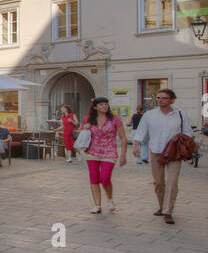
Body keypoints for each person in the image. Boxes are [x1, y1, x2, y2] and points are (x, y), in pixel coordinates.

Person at [131, 88, 192, 225]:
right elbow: (140, 132)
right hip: (156, 150)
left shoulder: (181, 114)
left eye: (163, 98)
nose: (160, 100)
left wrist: (183, 141)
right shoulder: (150, 115)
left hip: (174, 152)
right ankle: (161, 205)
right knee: (158, 182)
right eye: (158, 98)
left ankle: (168, 211)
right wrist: (136, 147)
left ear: (172, 100)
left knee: (172, 182)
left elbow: (188, 132)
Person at [78, 97, 128, 213]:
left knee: (105, 178)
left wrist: (123, 155)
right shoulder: (88, 119)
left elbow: (123, 138)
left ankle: (110, 199)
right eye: (101, 105)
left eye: (106, 104)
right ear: (95, 107)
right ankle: (97, 205)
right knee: (94, 178)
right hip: (92, 152)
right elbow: (79, 134)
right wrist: (84, 128)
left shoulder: (115, 119)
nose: (104, 106)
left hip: (109, 152)